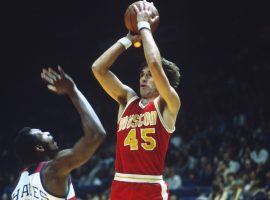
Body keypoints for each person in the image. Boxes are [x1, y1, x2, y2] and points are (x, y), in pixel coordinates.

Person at [91, 1, 181, 199]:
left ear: (162, 81)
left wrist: (144, 26)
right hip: (120, 184)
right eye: (142, 74)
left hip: (150, 188)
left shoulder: (168, 102)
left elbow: (155, 64)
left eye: (149, 75)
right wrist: (127, 40)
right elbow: (98, 69)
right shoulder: (127, 100)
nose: (143, 77)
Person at [12, 66, 106, 200]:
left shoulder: (18, 185)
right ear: (39, 147)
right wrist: (73, 91)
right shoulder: (52, 170)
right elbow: (97, 135)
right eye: (42, 133)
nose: (48, 132)